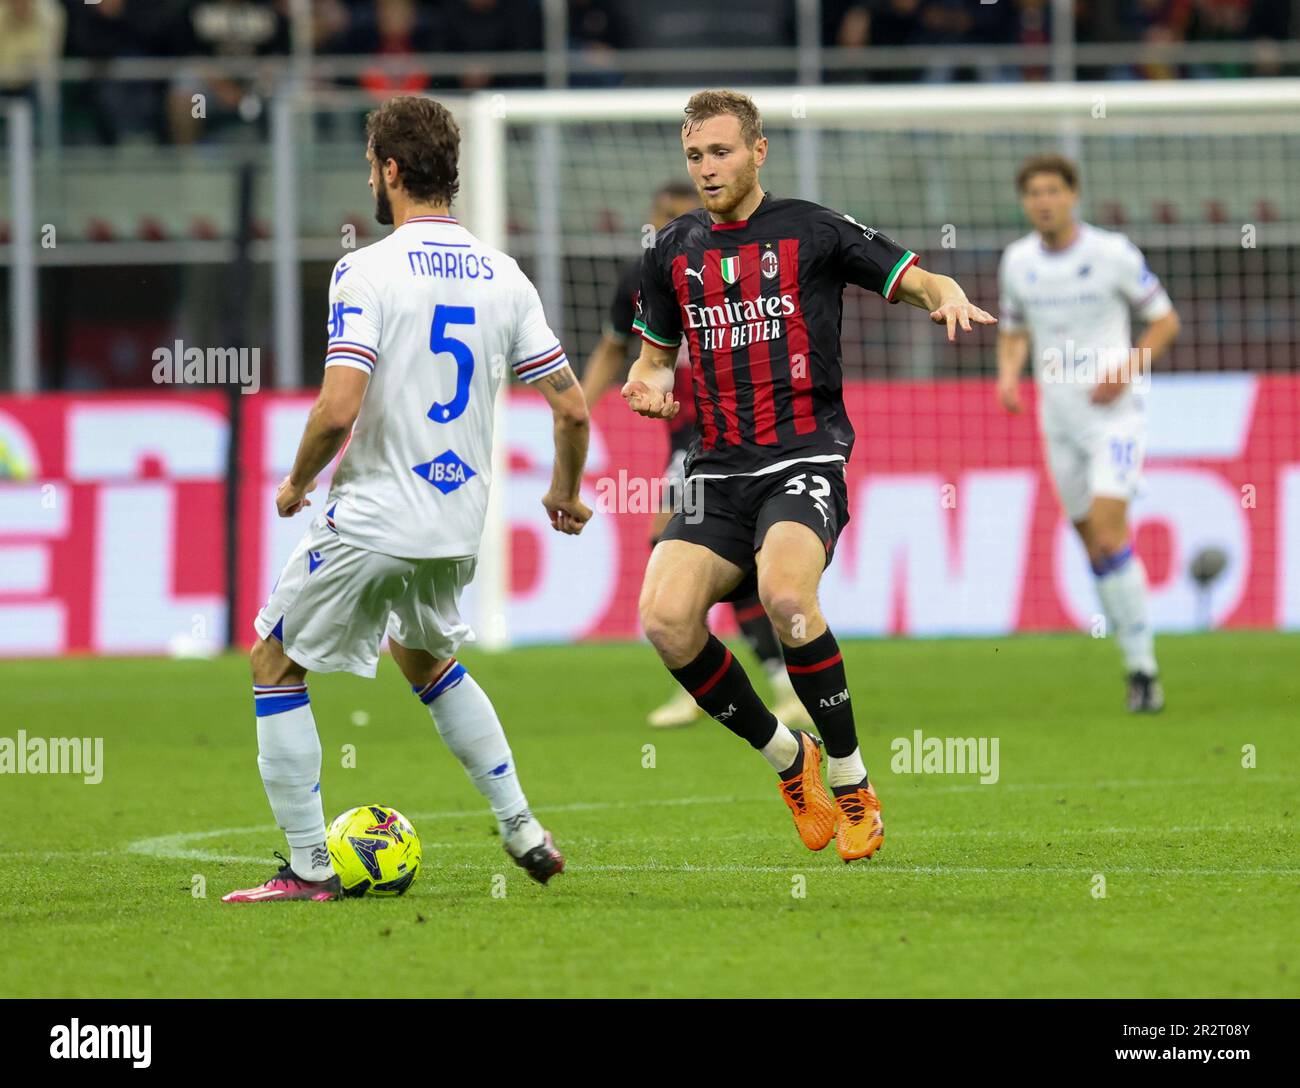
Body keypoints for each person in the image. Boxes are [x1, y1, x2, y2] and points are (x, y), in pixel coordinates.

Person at [224, 96, 592, 902]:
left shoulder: (366, 270)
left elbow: (338, 409)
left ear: (389, 169)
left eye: (371, 166)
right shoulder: (504, 274)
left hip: (375, 516)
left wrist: (296, 481)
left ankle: (308, 868)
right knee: (424, 658)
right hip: (457, 528)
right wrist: (564, 492)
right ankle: (523, 827)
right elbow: (572, 408)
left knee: (274, 661)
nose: (370, 179)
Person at [623, 90, 994, 862]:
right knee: (664, 619)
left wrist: (947, 293)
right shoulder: (671, 250)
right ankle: (792, 760)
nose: (707, 168)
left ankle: (852, 780)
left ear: (758, 152)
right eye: (695, 156)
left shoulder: (813, 230)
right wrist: (647, 382)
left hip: (803, 456)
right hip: (718, 468)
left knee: (787, 597)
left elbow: (915, 278)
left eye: (721, 151)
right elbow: (655, 357)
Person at [582, 180, 811, 730]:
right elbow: (614, 348)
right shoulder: (641, 279)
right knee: (687, 546)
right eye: (663, 215)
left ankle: (725, 679)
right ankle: (740, 679)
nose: (671, 225)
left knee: (677, 542)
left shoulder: (734, 271)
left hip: (730, 435)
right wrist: (578, 411)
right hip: (687, 439)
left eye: (680, 215)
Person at [997, 153, 1180, 712]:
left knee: (1106, 533)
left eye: (1053, 190)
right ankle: (1134, 663)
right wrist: (1008, 376)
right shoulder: (1017, 261)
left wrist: (1127, 368)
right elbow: (1014, 329)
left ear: (1073, 195)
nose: (1044, 202)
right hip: (1059, 418)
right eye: (1034, 193)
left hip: (1114, 416)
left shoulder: (1111, 253)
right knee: (1093, 545)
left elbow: (1165, 320)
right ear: (1025, 201)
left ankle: (1145, 670)